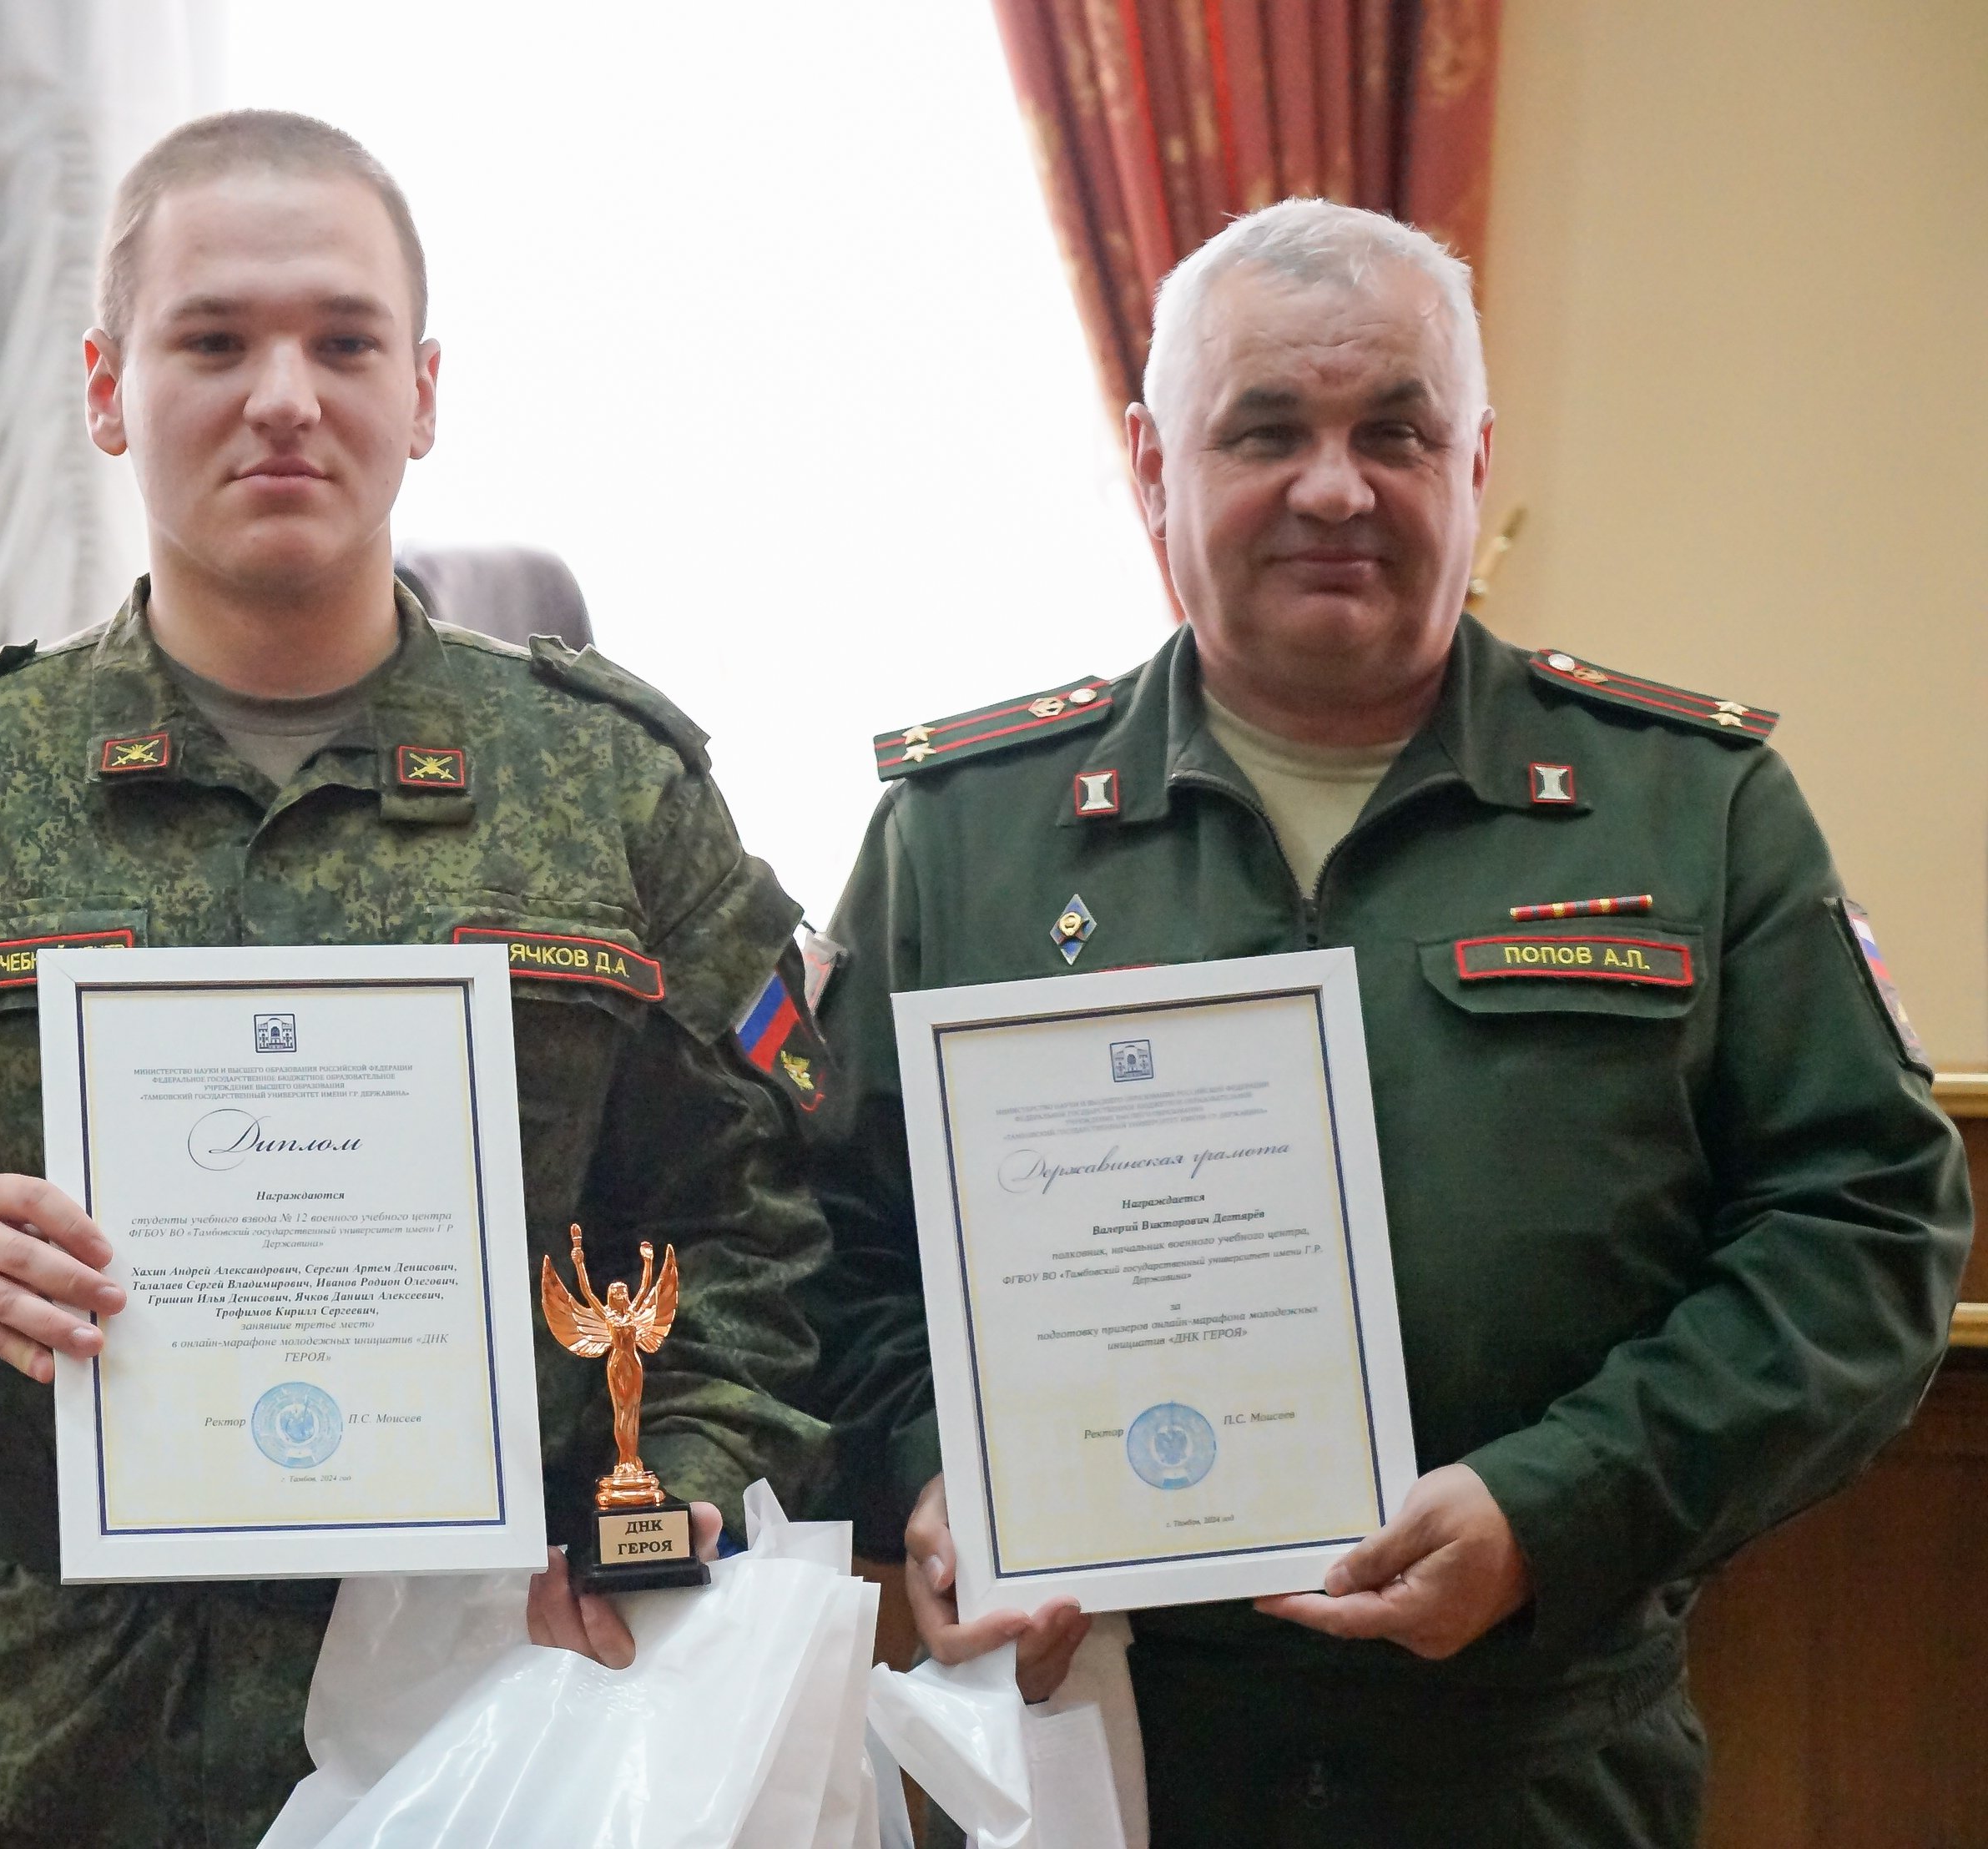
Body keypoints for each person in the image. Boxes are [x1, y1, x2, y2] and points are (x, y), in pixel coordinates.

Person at [0, 110, 828, 1846]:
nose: (284, 391)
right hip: (47, 1737)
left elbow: (765, 1217)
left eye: (343, 340)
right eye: (214, 339)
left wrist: (677, 1504)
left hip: (511, 1713)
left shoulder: (615, 792)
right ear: (107, 386)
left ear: (422, 393)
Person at [802, 197, 1975, 1846]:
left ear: (1477, 459)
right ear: (1151, 465)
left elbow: (1867, 1229)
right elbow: (822, 1243)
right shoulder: (965, 839)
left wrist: (1559, 1503)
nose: (1336, 485)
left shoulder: (1691, 814)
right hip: (1104, 1756)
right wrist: (932, 1475)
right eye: (1266, 430)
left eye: (1395, 432)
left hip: (1535, 1754)